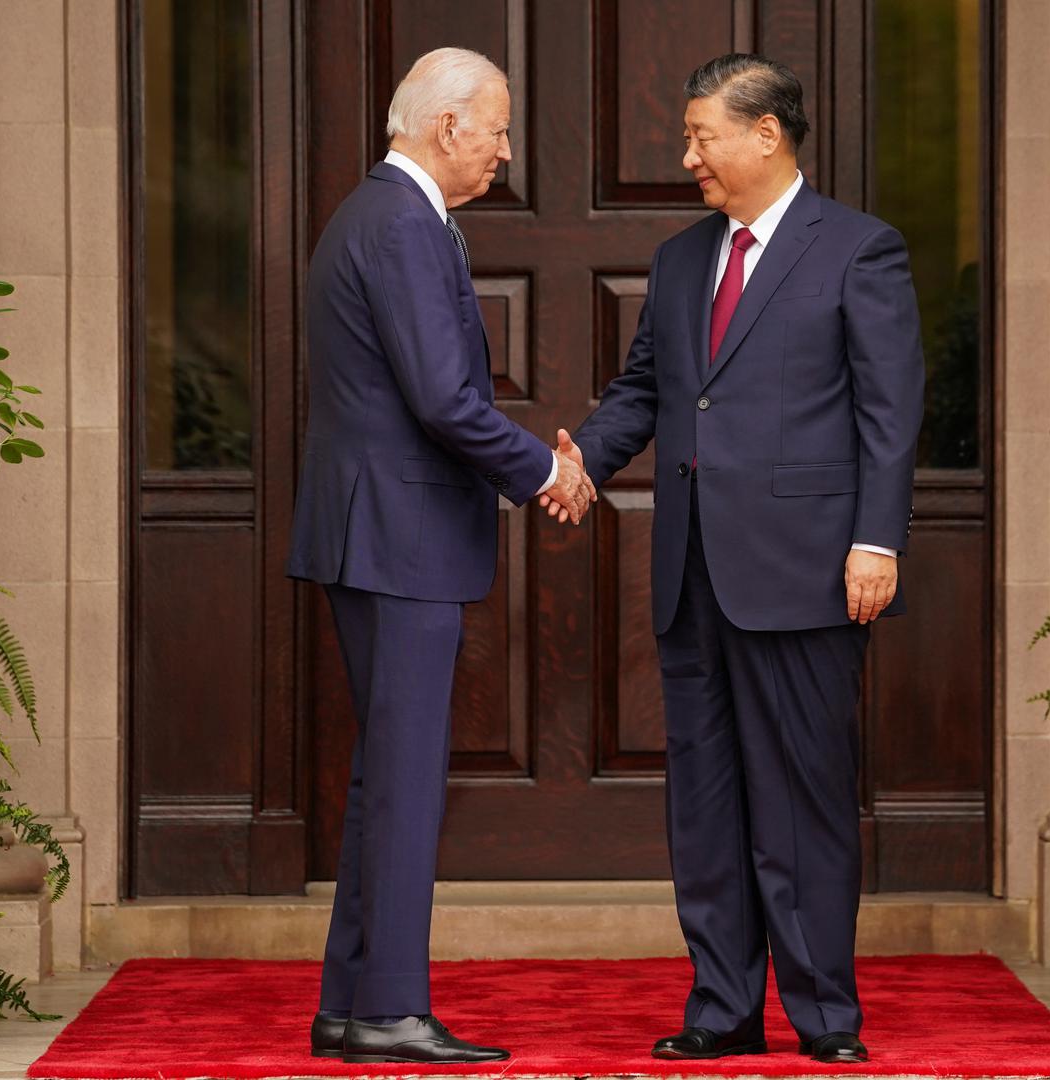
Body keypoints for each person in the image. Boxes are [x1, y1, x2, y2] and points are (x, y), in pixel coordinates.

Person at [550, 52, 924, 1065]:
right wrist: (577, 461)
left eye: (700, 137)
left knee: (801, 805)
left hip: (808, 572)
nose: (687, 158)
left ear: (766, 135)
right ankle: (720, 1008)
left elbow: (889, 415)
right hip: (691, 576)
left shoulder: (859, 251)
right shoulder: (678, 262)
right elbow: (647, 389)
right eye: (686, 138)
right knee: (706, 804)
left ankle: (823, 1020)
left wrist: (874, 538)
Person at [287, 46, 593, 1066]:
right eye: (499, 128)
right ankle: (391, 1011)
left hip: (373, 532)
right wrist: (541, 472)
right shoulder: (404, 224)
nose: (507, 149)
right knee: (406, 779)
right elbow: (442, 399)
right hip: (398, 537)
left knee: (387, 777)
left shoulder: (371, 215)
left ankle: (350, 1003)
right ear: (446, 125)